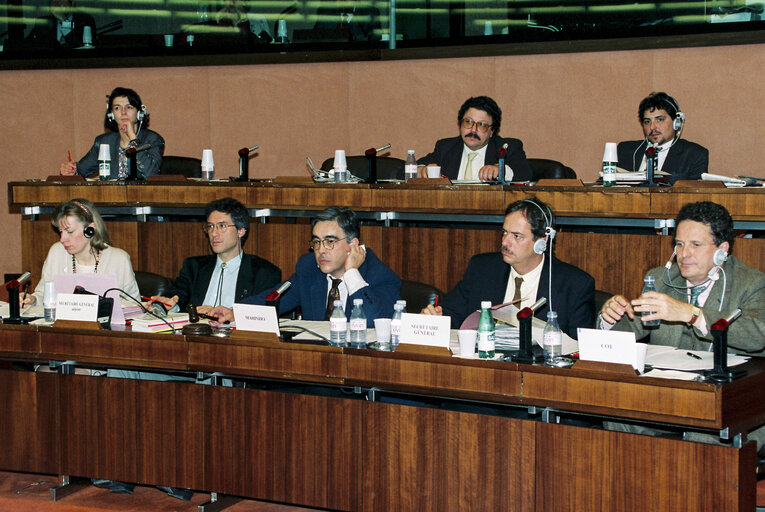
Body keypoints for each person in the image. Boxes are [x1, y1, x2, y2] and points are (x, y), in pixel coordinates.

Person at [599, 201, 765, 354]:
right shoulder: (660, 278)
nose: (684, 254)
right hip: (668, 380)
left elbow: (758, 336)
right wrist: (610, 319)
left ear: (722, 250)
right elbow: (630, 329)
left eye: (696, 245)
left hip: (727, 383)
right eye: (679, 244)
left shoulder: (751, 283)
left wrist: (691, 314)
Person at [421, 198, 595, 339]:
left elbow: (579, 347)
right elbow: (452, 313)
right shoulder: (482, 268)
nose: (505, 242)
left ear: (541, 243)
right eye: (504, 232)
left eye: (517, 236)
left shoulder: (574, 284)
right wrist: (436, 318)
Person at [208, 206, 401, 326]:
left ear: (353, 245)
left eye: (330, 241)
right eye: (316, 242)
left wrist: (352, 273)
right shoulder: (309, 269)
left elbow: (372, 320)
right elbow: (273, 300)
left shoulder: (378, 275)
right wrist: (236, 311)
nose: (321, 250)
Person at [151, 197, 281, 314]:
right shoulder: (194, 267)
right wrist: (170, 305)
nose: (214, 233)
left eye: (222, 226)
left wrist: (229, 314)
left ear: (240, 231)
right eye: (210, 226)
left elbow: (261, 314)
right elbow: (178, 296)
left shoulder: (264, 272)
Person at [22, 198, 139, 307]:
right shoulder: (56, 252)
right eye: (60, 231)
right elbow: (43, 295)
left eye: (70, 231)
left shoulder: (118, 259)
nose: (62, 239)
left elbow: (135, 306)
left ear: (90, 229)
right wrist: (32, 300)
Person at [417, 96, 532, 182]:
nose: (473, 129)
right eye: (469, 122)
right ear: (460, 124)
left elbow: (525, 173)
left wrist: (501, 171)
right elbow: (403, 172)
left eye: (482, 125)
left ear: (492, 131)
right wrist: (421, 171)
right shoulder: (446, 147)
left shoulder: (507, 147)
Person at [60, 87, 164, 179]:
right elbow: (80, 171)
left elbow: (151, 175)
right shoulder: (104, 142)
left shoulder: (153, 139)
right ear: (111, 115)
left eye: (129, 107)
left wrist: (133, 139)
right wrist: (69, 171)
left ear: (139, 113)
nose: (123, 112)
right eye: (117, 108)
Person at [617, 92, 708, 183]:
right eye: (647, 121)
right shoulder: (624, 150)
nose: (652, 127)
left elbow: (695, 194)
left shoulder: (694, 154)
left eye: (660, 120)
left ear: (676, 123)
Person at [26, 0, 96, 48]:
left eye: (61, 0)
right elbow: (27, 45)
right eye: (54, 1)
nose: (57, 4)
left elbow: (82, 45)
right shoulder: (43, 23)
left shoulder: (85, 20)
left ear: (72, 2)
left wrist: (64, 21)